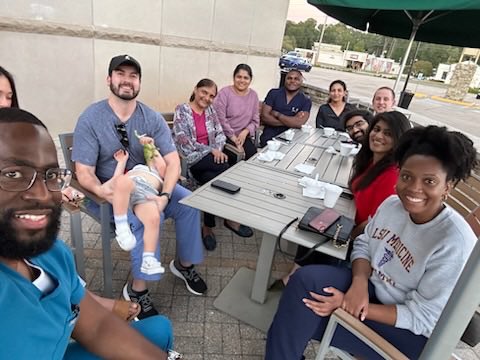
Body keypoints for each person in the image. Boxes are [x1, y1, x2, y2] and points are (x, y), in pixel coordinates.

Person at [265, 125, 478, 360]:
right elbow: (364, 244)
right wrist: (358, 284)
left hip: (410, 334)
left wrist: (350, 304)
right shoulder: (392, 206)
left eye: (429, 181)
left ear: (448, 186)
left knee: (298, 312)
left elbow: (424, 317)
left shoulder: (454, 241)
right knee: (303, 282)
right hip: (372, 290)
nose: (414, 189)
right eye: (406, 176)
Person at [0, 107, 174, 359]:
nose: (41, 194)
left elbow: (97, 326)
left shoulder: (52, 255)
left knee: (160, 328)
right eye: (12, 174)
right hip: (118, 194)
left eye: (50, 175)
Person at [0, 65, 141, 320]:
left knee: (52, 249)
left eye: (9, 97)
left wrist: (57, 188)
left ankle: (81, 302)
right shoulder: (92, 117)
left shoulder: (12, 137)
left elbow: (30, 174)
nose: (5, 104)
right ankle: (70, 309)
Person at [73, 55, 207, 318]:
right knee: (147, 219)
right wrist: (101, 191)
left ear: (139, 82)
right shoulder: (91, 118)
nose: (127, 80)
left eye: (133, 75)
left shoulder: (151, 117)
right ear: (109, 79)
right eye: (120, 73)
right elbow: (84, 172)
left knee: (189, 203)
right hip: (117, 192)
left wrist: (166, 195)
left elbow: (172, 163)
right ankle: (136, 290)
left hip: (152, 184)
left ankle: (183, 264)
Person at [273, 111, 411, 289]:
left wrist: (345, 237)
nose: (378, 136)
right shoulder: (371, 161)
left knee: (317, 228)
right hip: (352, 218)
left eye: (388, 133)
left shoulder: (391, 174)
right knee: (314, 220)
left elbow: (375, 222)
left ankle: (296, 280)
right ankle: (294, 273)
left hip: (362, 237)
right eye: (376, 129)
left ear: (399, 139)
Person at [173, 78, 253, 251]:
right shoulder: (182, 110)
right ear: (195, 90)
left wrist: (216, 149)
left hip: (210, 163)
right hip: (191, 159)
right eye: (204, 92)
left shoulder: (211, 111)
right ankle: (229, 218)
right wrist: (211, 151)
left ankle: (208, 227)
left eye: (211, 96)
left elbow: (221, 134)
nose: (207, 98)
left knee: (212, 179)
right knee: (225, 169)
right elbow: (183, 139)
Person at [111, 134, 167, 275]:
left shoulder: (159, 172)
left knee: (153, 218)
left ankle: (148, 259)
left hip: (146, 192)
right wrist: (122, 162)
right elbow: (116, 180)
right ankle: (122, 228)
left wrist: (152, 147)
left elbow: (163, 168)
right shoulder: (138, 167)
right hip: (129, 185)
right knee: (122, 181)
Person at [213, 63, 259, 164]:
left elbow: (255, 121)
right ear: (234, 77)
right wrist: (234, 138)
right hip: (225, 136)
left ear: (250, 80)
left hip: (243, 136)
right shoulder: (224, 93)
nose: (242, 80)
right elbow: (220, 119)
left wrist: (245, 132)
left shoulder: (253, 95)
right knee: (235, 155)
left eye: (246, 78)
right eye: (239, 77)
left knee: (253, 156)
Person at [259, 69, 312, 147]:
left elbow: (299, 123)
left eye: (296, 79)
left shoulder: (305, 100)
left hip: (293, 139)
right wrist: (292, 121)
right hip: (270, 138)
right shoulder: (273, 93)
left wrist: (277, 114)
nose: (292, 81)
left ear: (301, 81)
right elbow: (264, 117)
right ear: (285, 80)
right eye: (289, 78)